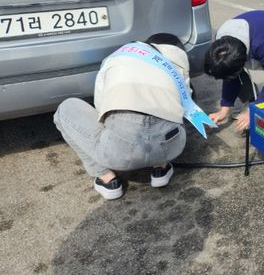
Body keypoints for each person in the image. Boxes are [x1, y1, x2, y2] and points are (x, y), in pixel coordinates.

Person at [53, 34, 196, 200]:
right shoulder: (178, 62)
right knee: (168, 114)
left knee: (64, 109)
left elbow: (101, 106)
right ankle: (161, 168)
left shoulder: (118, 58)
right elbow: (188, 106)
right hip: (172, 147)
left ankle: (107, 179)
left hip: (119, 154)